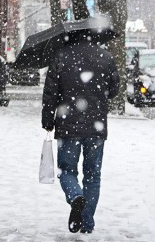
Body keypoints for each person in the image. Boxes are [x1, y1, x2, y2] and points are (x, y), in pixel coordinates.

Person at [41, 33, 119, 234]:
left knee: (67, 171)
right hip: (96, 127)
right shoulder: (106, 57)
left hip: (68, 126)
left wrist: (48, 120)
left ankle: (76, 197)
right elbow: (113, 90)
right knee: (93, 175)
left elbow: (50, 92)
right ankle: (87, 222)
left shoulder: (60, 57)